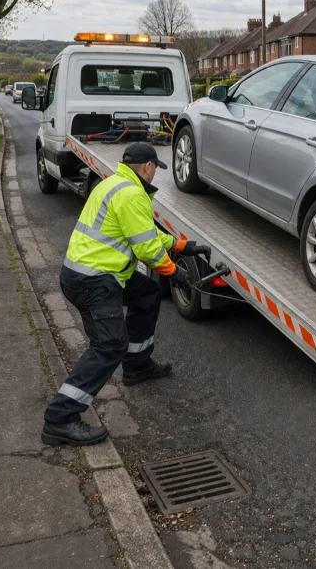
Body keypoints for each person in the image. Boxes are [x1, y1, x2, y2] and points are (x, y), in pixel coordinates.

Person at [41, 142, 210, 446]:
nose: (155, 173)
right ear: (148, 167)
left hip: (85, 274)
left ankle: (137, 366)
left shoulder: (113, 184)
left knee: (146, 294)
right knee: (108, 346)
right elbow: (146, 248)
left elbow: (143, 231)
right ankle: (60, 417)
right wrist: (175, 272)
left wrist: (180, 246)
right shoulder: (133, 194)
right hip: (95, 281)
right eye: (156, 168)